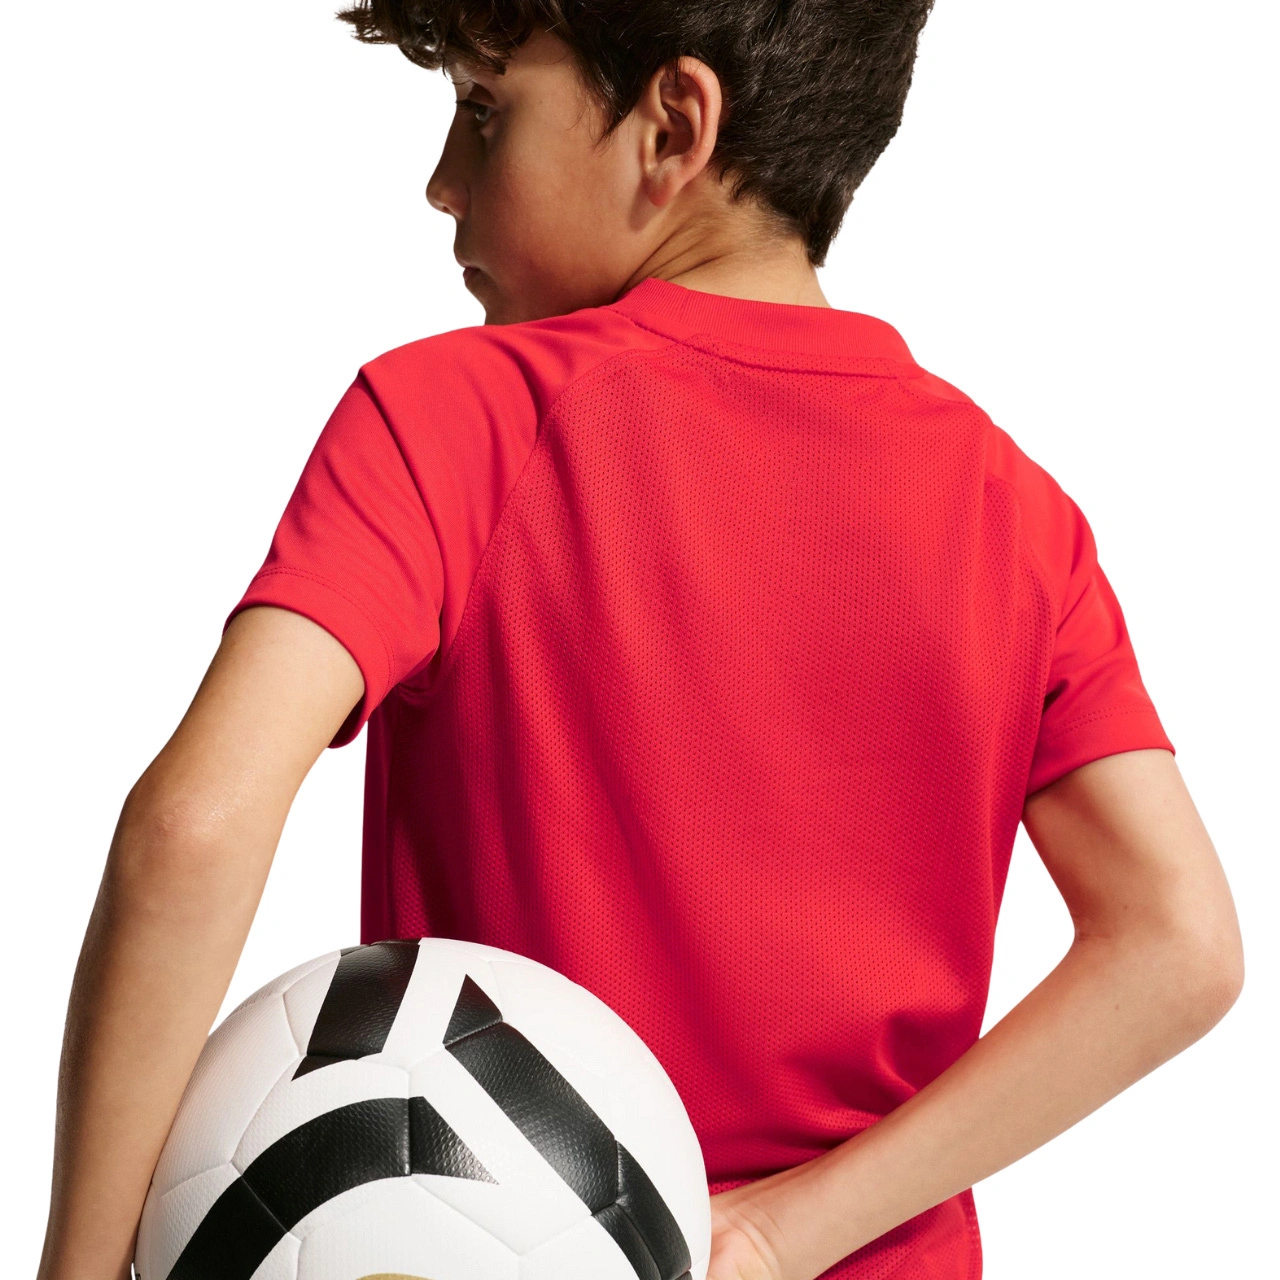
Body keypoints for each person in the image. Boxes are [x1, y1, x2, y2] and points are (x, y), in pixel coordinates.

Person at [37, 3, 1244, 1279]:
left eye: (485, 111)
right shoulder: (1019, 515)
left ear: (673, 127)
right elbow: (1177, 943)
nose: (442, 180)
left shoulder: (457, 419)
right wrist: (779, 1228)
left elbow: (195, 825)